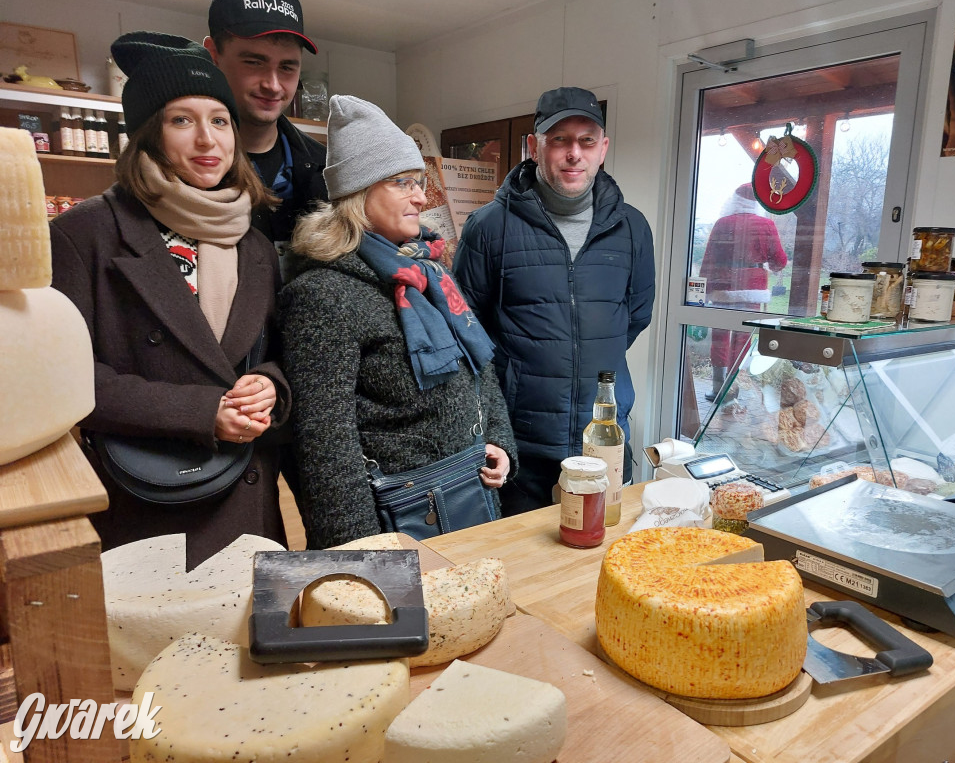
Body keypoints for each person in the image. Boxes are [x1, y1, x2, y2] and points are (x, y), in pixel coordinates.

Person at [49, 32, 291, 568]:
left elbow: (270, 353)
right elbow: (63, 382)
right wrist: (203, 411)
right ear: (148, 134)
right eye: (182, 120)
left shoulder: (253, 243)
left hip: (249, 504)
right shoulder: (85, 234)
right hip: (152, 503)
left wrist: (267, 387)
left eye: (220, 120)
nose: (208, 140)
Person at [277, 95, 517, 549]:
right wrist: (362, 551)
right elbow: (326, 446)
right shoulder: (322, 295)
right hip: (397, 519)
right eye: (403, 182)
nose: (421, 197)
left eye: (420, 182)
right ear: (358, 191)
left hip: (470, 492)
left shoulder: (431, 271)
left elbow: (478, 369)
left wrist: (501, 443)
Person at [454, 86, 656, 515]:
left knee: (601, 560)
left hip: (603, 438)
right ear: (534, 147)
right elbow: (466, 332)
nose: (573, 154)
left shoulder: (633, 229)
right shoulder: (489, 228)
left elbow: (634, 317)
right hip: (520, 444)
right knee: (523, 566)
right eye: (559, 140)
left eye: (586, 141)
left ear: (603, 149)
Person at [203, 0, 327, 271]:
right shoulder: (181, 170)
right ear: (213, 56)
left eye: (286, 67)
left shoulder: (326, 167)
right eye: (254, 62)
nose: (273, 85)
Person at [698, 183, 788, 400]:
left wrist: (703, 290)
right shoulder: (766, 225)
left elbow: (709, 258)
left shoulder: (722, 224)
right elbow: (780, 261)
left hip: (722, 288)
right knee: (743, 337)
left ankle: (718, 387)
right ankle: (733, 385)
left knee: (719, 337)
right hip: (753, 288)